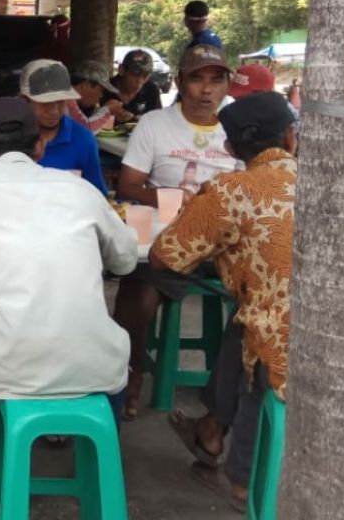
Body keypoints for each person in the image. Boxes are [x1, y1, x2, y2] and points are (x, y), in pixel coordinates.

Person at [0, 97, 138, 507]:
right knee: (115, 359)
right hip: (93, 360)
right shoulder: (80, 190)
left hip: (7, 358)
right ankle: (101, 478)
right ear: (39, 148)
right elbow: (124, 259)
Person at [151, 92, 296, 512]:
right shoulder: (327, 178)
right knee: (246, 320)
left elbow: (165, 256)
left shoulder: (231, 191)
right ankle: (211, 428)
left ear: (230, 149)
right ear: (290, 137)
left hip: (281, 344)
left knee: (257, 331)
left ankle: (242, 483)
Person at [112, 44, 240, 417]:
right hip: (168, 238)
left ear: (227, 85)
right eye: (197, 79)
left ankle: (224, 401)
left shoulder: (239, 128)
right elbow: (128, 186)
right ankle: (131, 372)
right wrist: (174, 199)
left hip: (224, 244)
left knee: (257, 300)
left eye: (216, 80)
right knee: (137, 290)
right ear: (181, 82)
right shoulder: (155, 124)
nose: (206, 90)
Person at [18, 59, 106, 194]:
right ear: (24, 101)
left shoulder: (83, 140)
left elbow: (98, 196)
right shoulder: (9, 138)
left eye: (60, 102)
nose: (54, 111)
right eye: (45, 102)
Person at [231, 63, 301, 130]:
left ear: (263, 94)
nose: (235, 99)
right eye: (235, 96)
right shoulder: (253, 111)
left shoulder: (279, 116)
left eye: (241, 97)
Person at [103, 49, 163, 122]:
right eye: (135, 74)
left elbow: (157, 121)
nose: (140, 81)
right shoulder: (104, 89)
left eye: (145, 76)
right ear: (121, 70)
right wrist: (105, 112)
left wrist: (134, 118)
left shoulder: (151, 90)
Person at [68, 59, 123, 132]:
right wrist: (107, 110)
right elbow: (83, 130)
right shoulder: (66, 99)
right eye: (101, 90)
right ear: (86, 85)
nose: (101, 96)